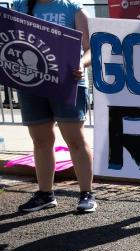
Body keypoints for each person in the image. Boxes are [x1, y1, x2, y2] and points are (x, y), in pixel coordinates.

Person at [14, 0, 96, 213]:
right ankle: (45, 194)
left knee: (75, 140)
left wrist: (81, 64)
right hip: (31, 83)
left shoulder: (73, 9)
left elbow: (90, 49)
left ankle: (87, 194)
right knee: (41, 141)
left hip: (67, 83)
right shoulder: (20, 6)